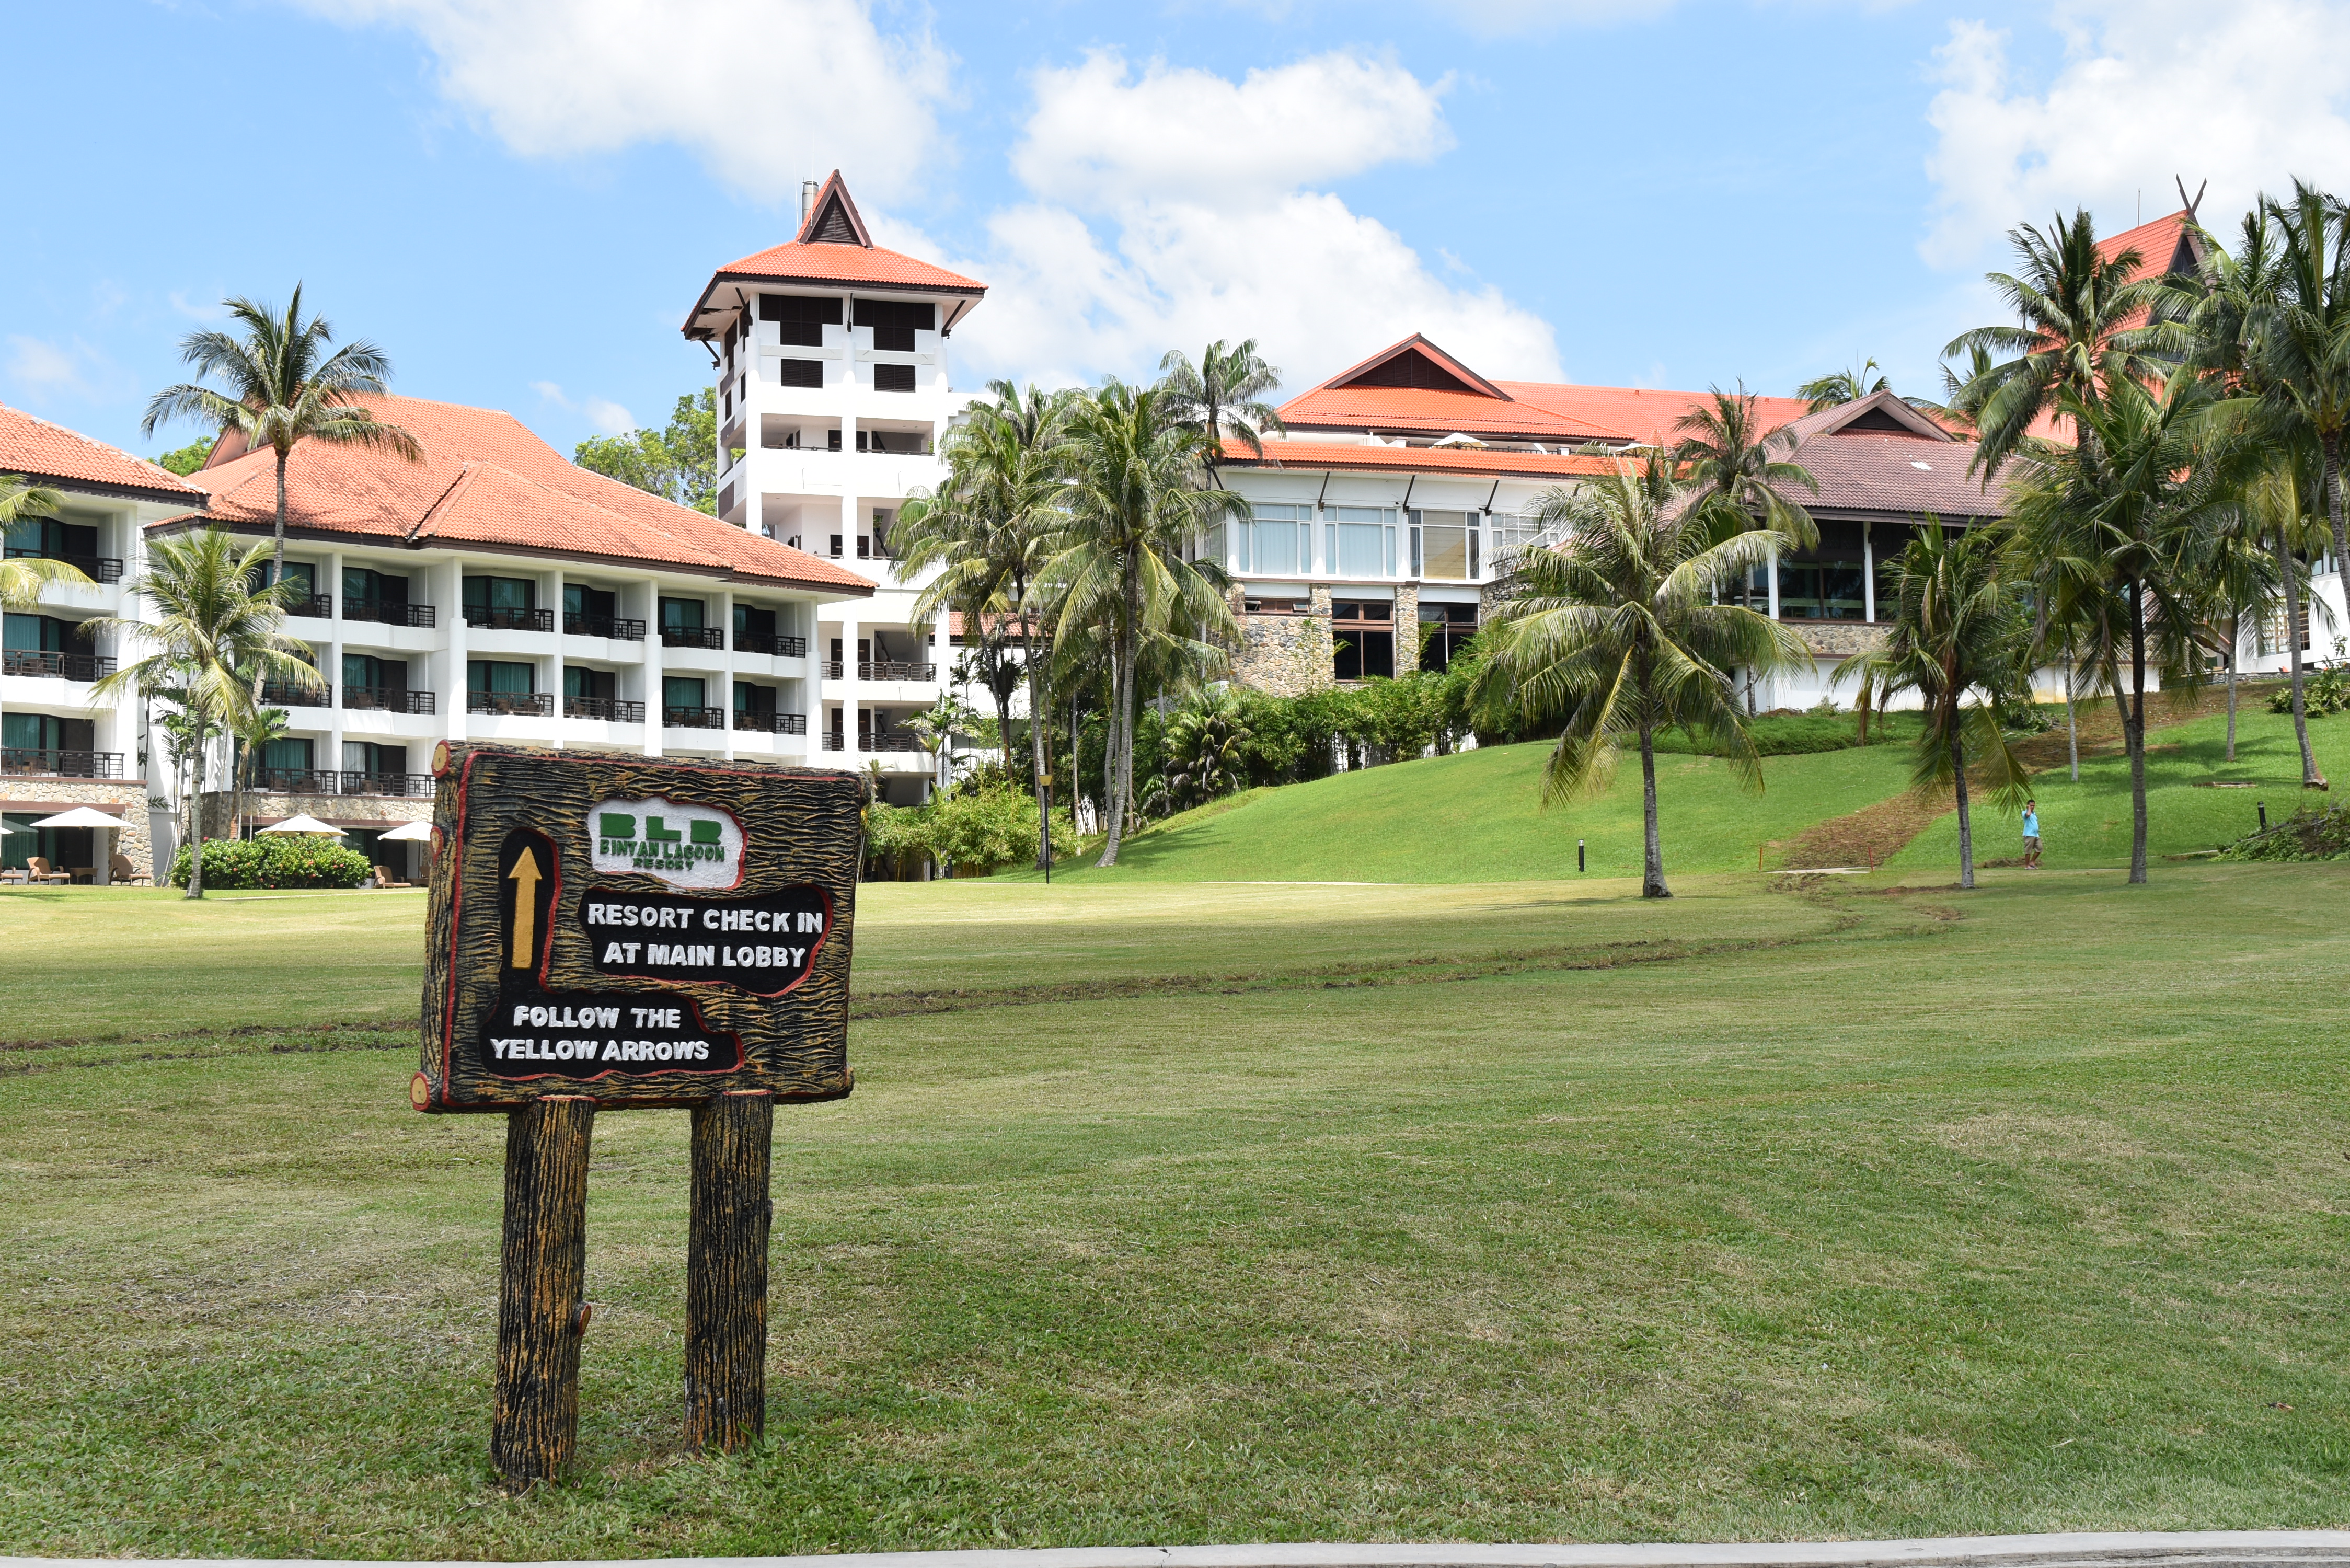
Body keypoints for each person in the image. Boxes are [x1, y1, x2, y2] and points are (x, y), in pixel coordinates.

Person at [2021, 798, 2042, 869]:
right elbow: (2028, 815)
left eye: (2033, 806)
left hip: (2036, 835)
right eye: (2031, 806)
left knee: (2040, 849)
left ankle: (2032, 862)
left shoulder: (2034, 814)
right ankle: (2027, 866)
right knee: (2028, 851)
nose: (2033, 807)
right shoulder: (2025, 813)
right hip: (2029, 835)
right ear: (2028, 806)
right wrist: (2028, 809)